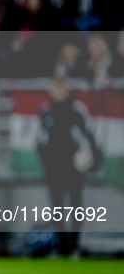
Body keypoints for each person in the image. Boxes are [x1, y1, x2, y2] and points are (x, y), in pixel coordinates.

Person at [38, 78, 101, 256]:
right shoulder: (46, 110)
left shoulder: (76, 110)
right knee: (57, 209)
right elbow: (40, 140)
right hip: (53, 169)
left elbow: (88, 135)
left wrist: (92, 159)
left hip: (74, 168)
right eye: (54, 89)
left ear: (67, 90)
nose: (58, 92)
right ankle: (62, 245)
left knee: (76, 207)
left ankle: (74, 245)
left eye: (61, 89)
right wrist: (46, 164)